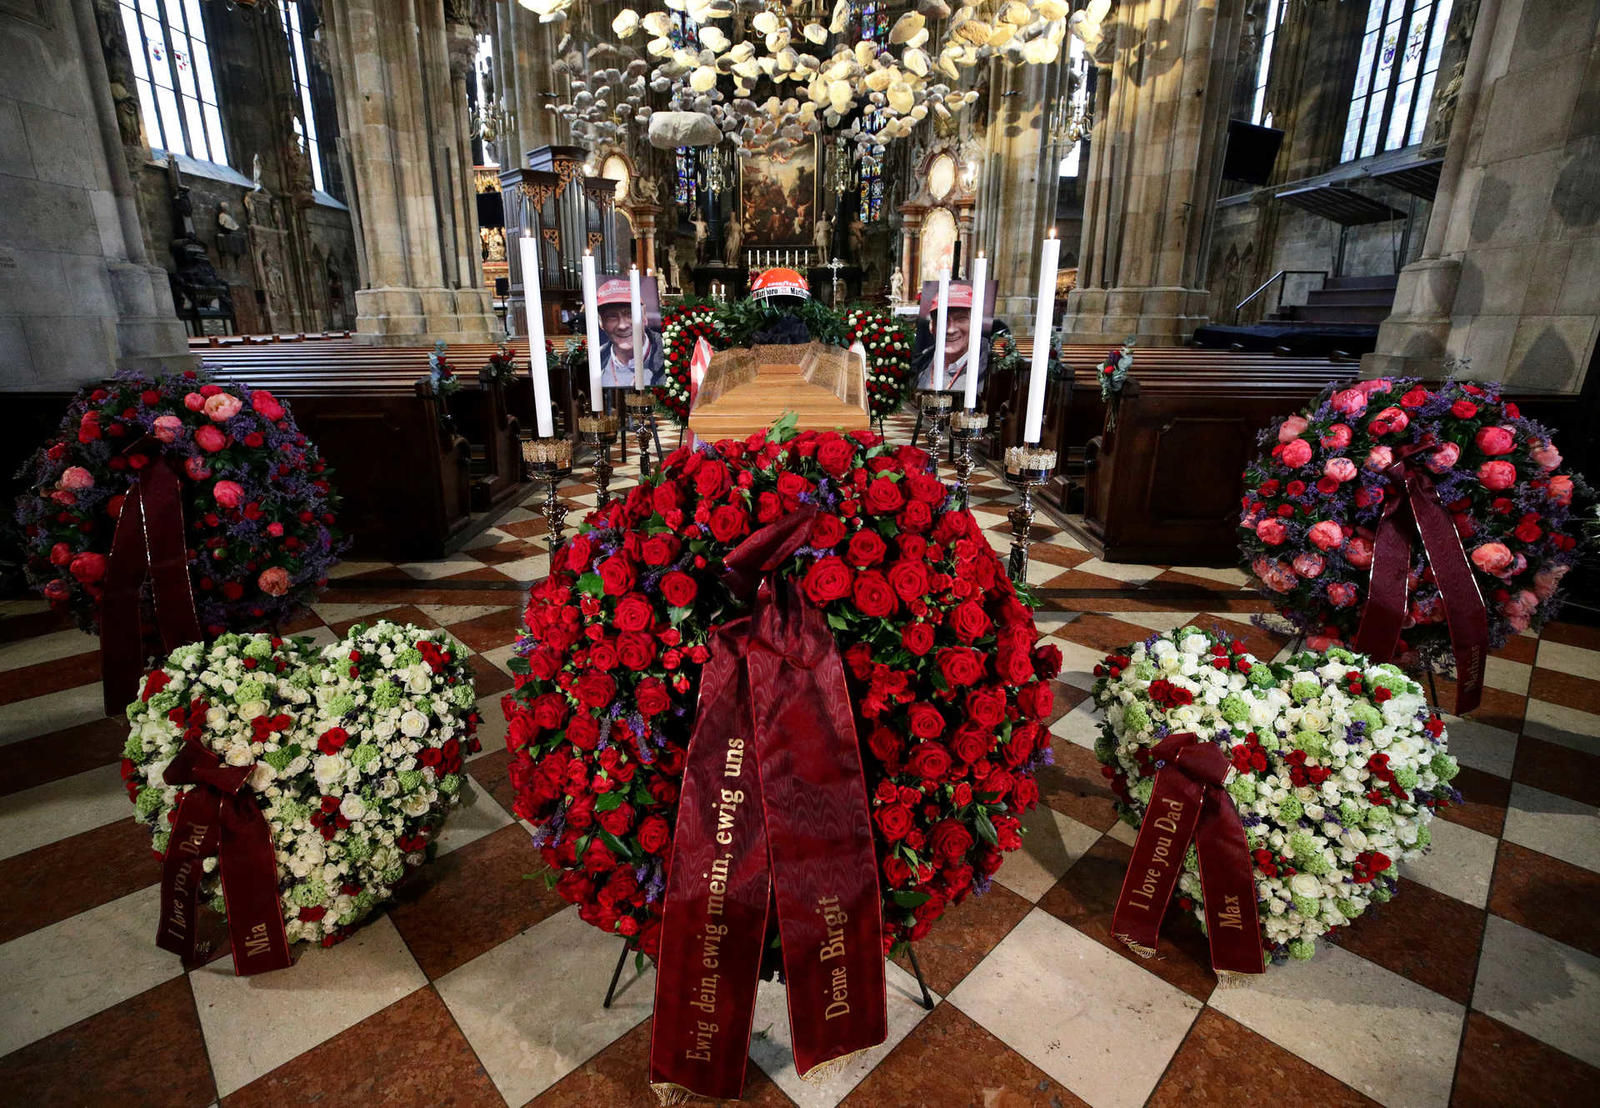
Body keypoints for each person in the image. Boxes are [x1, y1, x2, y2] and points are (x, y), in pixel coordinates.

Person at [912, 281, 985, 394]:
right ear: (932, 325)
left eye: (961, 319)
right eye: (943, 319)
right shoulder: (920, 363)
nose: (950, 330)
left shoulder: (987, 369)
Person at [594, 276, 663, 388]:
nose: (622, 325)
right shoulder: (595, 362)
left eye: (630, 314)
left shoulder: (669, 354)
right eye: (612, 316)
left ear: (644, 316)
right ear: (601, 322)